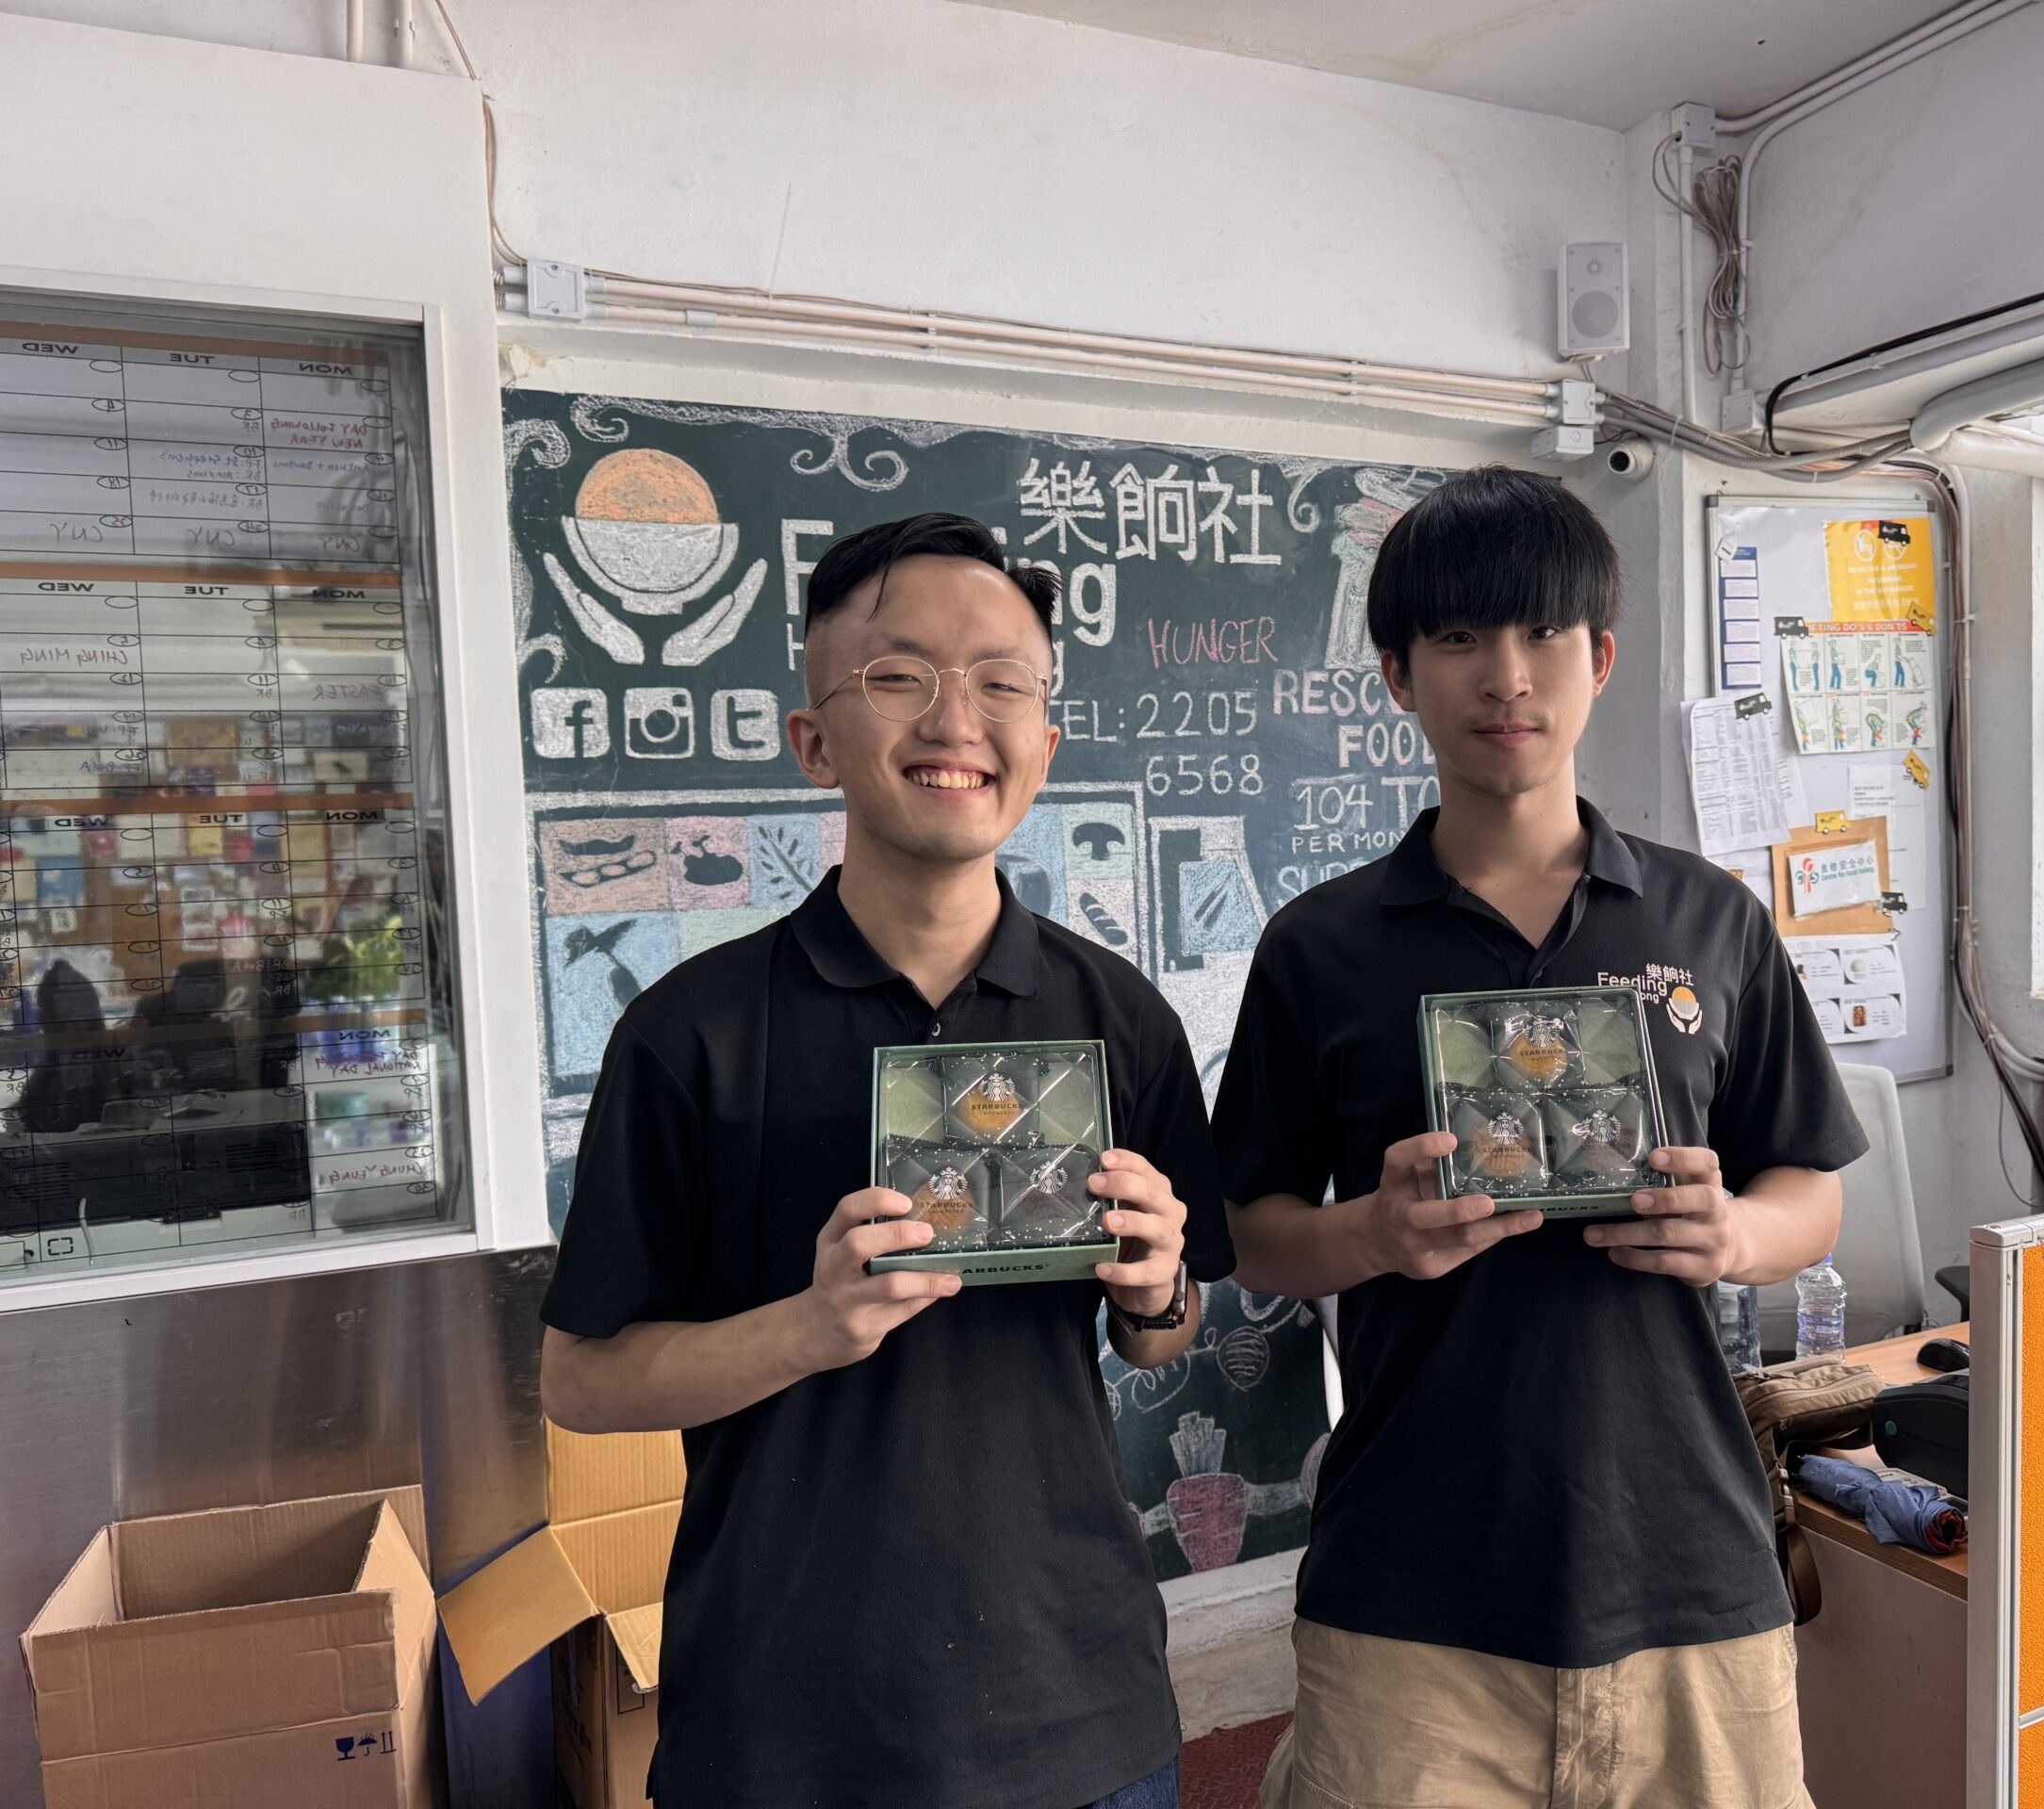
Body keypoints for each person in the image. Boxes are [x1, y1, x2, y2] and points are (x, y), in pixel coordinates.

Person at [539, 512, 1230, 1809]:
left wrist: (1154, 1294)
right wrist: (809, 1327)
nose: (956, 718)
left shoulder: (1119, 1017)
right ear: (814, 741)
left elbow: (1161, 1338)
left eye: (1001, 681)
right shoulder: (691, 1034)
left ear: (1045, 740)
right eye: (901, 676)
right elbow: (583, 1382)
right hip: (785, 1728)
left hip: (1074, 1708)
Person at [1214, 467, 1866, 1809]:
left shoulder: (1709, 923)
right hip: (1411, 1577)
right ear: (1398, 675)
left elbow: (1810, 1186)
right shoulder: (1318, 947)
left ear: (1601, 658)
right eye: (1458, 640)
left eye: (1541, 634)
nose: (1505, 675)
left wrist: (1740, 1233)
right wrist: (1370, 1233)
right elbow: (1256, 1236)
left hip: (1690, 1554)